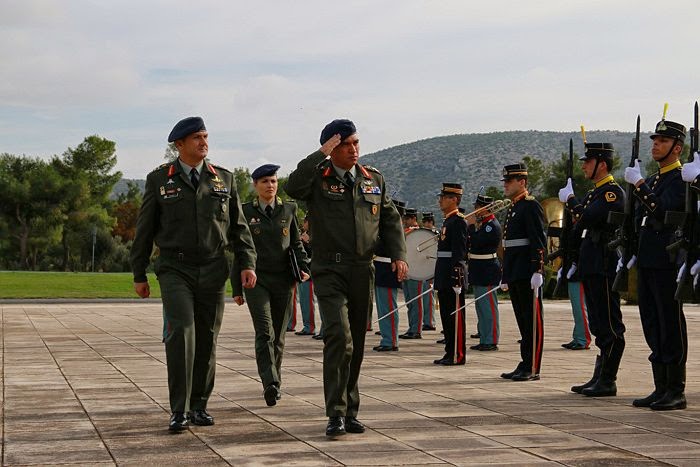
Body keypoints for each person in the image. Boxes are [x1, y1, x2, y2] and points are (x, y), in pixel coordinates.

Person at [130, 116, 257, 432]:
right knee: (182, 331)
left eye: (206, 136)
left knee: (207, 337)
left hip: (214, 267)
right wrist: (139, 273)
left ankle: (199, 404)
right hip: (176, 268)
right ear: (180, 145)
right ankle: (179, 409)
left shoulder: (223, 180)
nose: (204, 142)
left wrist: (247, 264)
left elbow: (239, 228)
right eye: (197, 137)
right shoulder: (160, 180)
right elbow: (145, 230)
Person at [285, 119, 407, 437]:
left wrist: (399, 255)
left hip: (361, 269)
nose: (353, 149)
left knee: (357, 342)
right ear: (332, 148)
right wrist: (319, 154)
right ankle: (335, 412)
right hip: (328, 269)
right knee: (339, 336)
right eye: (346, 144)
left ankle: (350, 410)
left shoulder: (372, 179)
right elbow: (291, 186)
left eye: (356, 143)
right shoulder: (317, 177)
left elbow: (390, 218)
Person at [624, 116, 688, 410]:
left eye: (662, 141)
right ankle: (660, 386)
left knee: (669, 325)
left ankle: (675, 389)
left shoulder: (680, 179)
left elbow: (662, 213)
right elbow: (640, 220)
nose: (655, 145)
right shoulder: (654, 180)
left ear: (677, 148)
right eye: (654, 141)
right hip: (649, 259)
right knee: (651, 323)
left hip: (668, 261)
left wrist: (638, 184)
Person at [232, 164, 310, 406]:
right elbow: (239, 251)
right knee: (265, 331)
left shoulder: (289, 209)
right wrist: (237, 287)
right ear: (255, 185)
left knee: (278, 335)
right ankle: (270, 382)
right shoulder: (245, 211)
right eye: (265, 181)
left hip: (284, 281)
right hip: (257, 281)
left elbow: (296, 243)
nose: (270, 185)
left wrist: (304, 266)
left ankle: (275, 380)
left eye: (273, 181)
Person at [559, 142, 625, 396]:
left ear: (602, 164)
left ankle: (608, 380)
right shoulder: (594, 193)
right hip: (591, 265)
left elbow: (588, 217)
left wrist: (573, 200)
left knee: (609, 324)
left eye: (588, 161)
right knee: (598, 324)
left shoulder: (611, 193)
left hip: (605, 265)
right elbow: (578, 226)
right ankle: (600, 376)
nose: (584, 166)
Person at [499, 163, 546, 381]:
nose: (506, 185)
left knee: (532, 322)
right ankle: (525, 362)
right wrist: (506, 275)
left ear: (522, 182)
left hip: (527, 272)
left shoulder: (530, 206)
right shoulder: (514, 207)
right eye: (505, 181)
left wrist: (538, 269)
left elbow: (538, 240)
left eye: (510, 181)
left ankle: (532, 366)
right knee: (523, 321)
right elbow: (510, 245)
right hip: (516, 271)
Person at [433, 183, 468, 366]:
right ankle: (449, 352)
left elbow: (459, 252)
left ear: (454, 200)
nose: (440, 200)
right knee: (446, 316)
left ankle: (457, 354)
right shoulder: (448, 220)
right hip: (444, 273)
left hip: (452, 276)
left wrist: (457, 275)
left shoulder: (458, 221)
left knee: (455, 317)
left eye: (444, 197)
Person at [464, 194, 501, 351]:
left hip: (487, 269)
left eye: (478, 207)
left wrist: (471, 226)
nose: (475, 210)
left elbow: (477, 242)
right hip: (479, 268)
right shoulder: (483, 223)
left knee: (488, 308)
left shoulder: (490, 225)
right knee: (481, 307)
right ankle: (485, 337)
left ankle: (491, 340)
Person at [400, 207, 424, 340]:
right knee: (410, 301)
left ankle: (416, 329)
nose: (404, 221)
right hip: (408, 270)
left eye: (407, 219)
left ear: (414, 219)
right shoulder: (407, 232)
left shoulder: (419, 233)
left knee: (416, 301)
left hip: (417, 271)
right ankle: (412, 327)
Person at [295, 215, 317, 336]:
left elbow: (314, 253)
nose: (304, 224)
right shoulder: (304, 234)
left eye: (305, 221)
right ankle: (307, 325)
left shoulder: (315, 235)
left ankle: (310, 326)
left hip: (311, 271)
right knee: (304, 301)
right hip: (303, 271)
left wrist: (308, 242)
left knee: (308, 301)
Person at [420, 212, 438, 332]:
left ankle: (430, 321)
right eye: (425, 222)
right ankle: (425, 320)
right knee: (423, 296)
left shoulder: (436, 235)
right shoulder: (421, 234)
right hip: (422, 267)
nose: (426, 224)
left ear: (432, 222)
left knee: (429, 296)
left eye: (428, 222)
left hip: (432, 267)